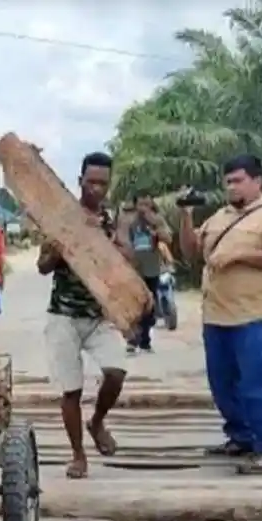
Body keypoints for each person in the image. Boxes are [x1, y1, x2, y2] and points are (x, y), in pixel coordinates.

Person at [178, 154, 262, 474]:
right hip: (215, 314)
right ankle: (241, 437)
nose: (232, 187)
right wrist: (186, 216)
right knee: (222, 383)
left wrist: (238, 255)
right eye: (228, 181)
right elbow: (190, 252)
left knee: (255, 382)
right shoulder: (220, 217)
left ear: (258, 181)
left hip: (252, 313)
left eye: (238, 180)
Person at [36, 152, 133, 479]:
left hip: (98, 315)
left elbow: (125, 260)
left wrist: (111, 242)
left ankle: (97, 421)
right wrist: (59, 244)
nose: (96, 189)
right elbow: (42, 267)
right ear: (79, 181)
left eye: (102, 183)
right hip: (63, 315)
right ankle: (78, 455)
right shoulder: (61, 216)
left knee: (116, 372)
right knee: (71, 390)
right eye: (91, 182)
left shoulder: (110, 219)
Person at [125, 192, 173, 353]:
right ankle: (131, 341)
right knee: (133, 306)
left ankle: (145, 340)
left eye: (147, 204)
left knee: (149, 306)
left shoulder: (157, 220)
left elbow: (168, 238)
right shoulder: (130, 222)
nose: (144, 208)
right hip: (134, 270)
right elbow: (125, 242)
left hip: (152, 269)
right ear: (135, 205)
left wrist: (156, 230)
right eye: (140, 204)